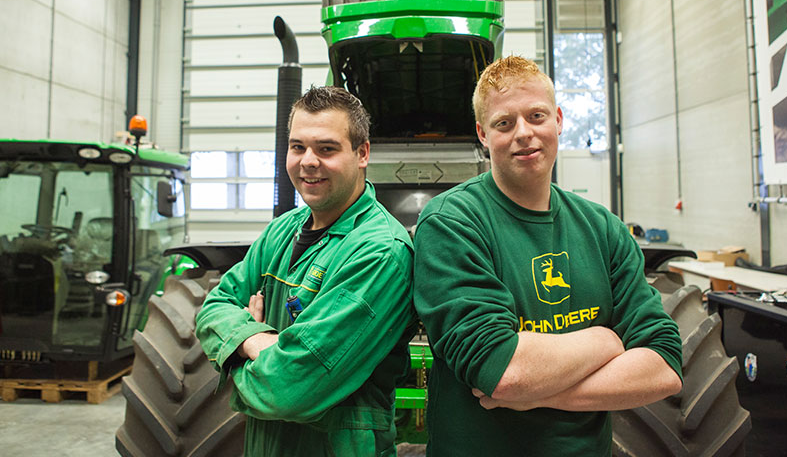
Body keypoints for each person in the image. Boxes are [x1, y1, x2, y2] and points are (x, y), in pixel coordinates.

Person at [413, 56, 683, 456]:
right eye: (504, 123)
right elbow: (502, 371)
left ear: (558, 119)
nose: (524, 133)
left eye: (536, 116)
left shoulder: (602, 228)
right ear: (482, 135)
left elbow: (663, 366)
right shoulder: (452, 222)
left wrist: (537, 394)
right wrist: (606, 340)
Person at [196, 86, 415, 457]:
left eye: (326, 149)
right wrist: (255, 339)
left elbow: (286, 390)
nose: (308, 161)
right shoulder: (281, 231)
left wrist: (232, 352)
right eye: (298, 147)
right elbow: (213, 306)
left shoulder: (379, 253)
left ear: (362, 153)